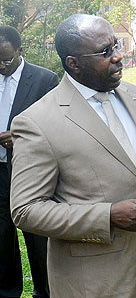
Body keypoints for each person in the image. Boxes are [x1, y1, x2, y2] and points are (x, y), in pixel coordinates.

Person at [9, 14, 136, 298]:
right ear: (74, 63)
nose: (119, 56)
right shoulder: (37, 122)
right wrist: (107, 215)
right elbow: (26, 209)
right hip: (91, 285)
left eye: (117, 45)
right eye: (105, 52)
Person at [0, 25, 59, 298]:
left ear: (20, 51)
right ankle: (8, 291)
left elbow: (60, 126)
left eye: (6, 59)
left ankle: (45, 291)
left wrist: (22, 137)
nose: (1, 65)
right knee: (1, 239)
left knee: (38, 239)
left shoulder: (44, 80)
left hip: (32, 173)